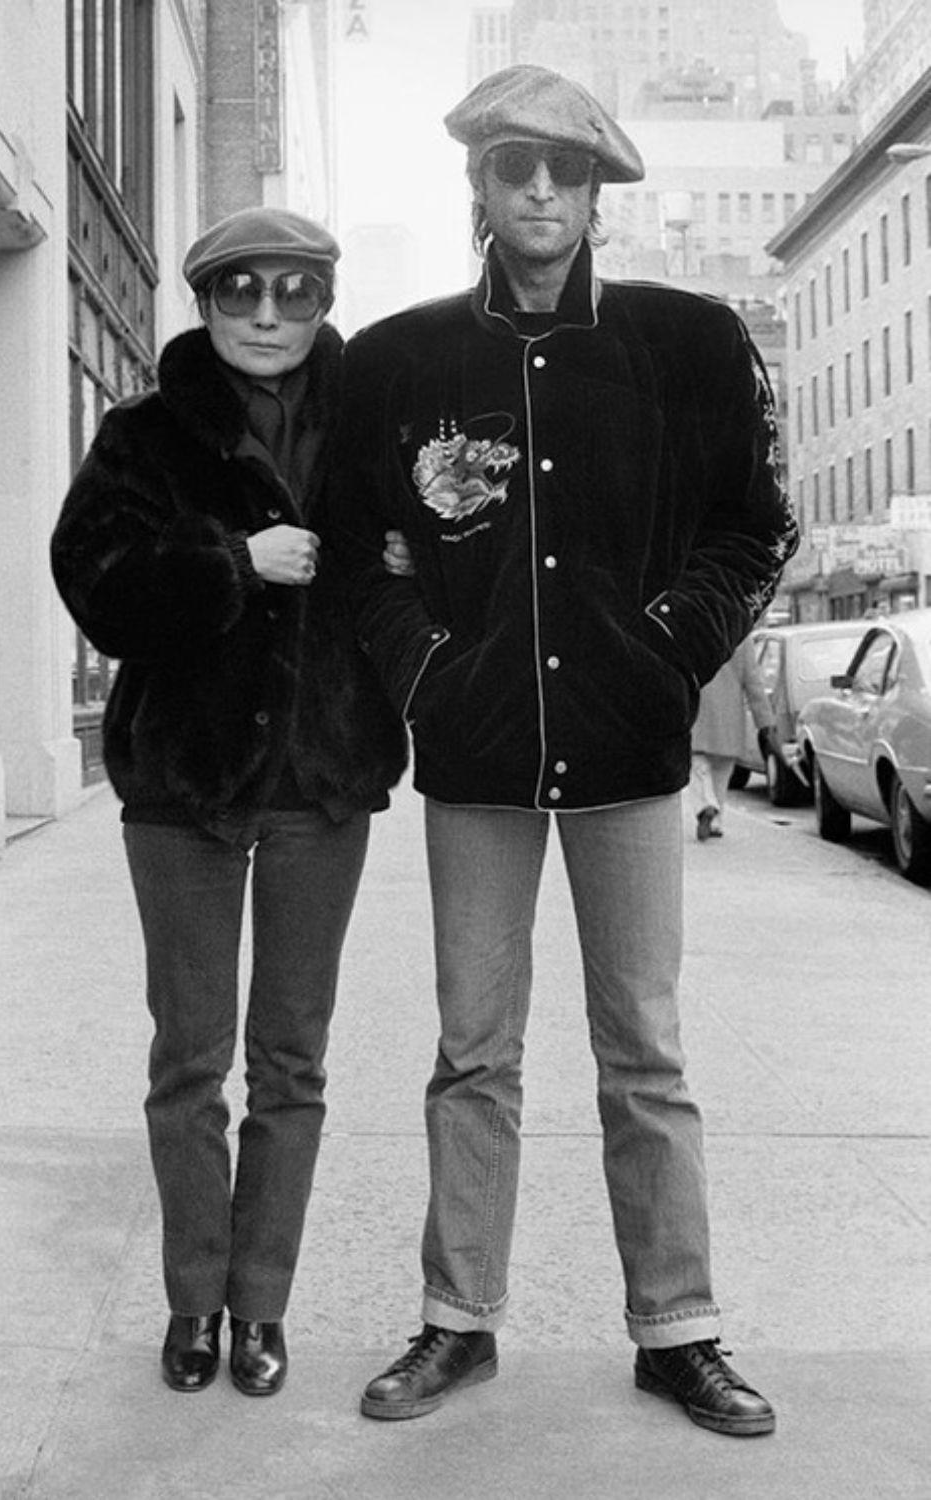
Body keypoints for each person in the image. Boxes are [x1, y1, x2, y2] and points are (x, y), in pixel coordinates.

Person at [329, 65, 798, 1436]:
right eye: (510, 167)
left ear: (596, 192)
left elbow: (752, 525)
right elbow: (362, 550)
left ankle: (677, 1332)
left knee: (642, 1050)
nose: (537, 190)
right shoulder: (402, 360)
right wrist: (427, 669)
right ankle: (457, 1322)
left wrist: (665, 647)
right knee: (472, 1049)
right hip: (476, 758)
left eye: (562, 171)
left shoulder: (684, 343)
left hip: (626, 749)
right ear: (474, 184)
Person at [51, 207, 406, 1397]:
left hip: (321, 783)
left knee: (292, 1062)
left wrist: (397, 572)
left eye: (294, 292)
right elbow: (93, 582)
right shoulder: (144, 435)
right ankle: (193, 1305)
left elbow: (435, 564)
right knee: (189, 1063)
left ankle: (263, 1309)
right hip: (186, 790)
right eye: (241, 291)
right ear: (204, 302)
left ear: (322, 300)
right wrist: (228, 563)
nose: (267, 315)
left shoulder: (371, 432)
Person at [690, 636, 783, 840]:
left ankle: (706, 804)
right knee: (722, 773)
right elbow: (753, 683)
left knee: (698, 766)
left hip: (699, 714)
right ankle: (716, 822)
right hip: (730, 718)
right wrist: (765, 723)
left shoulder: (695, 633)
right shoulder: (740, 638)